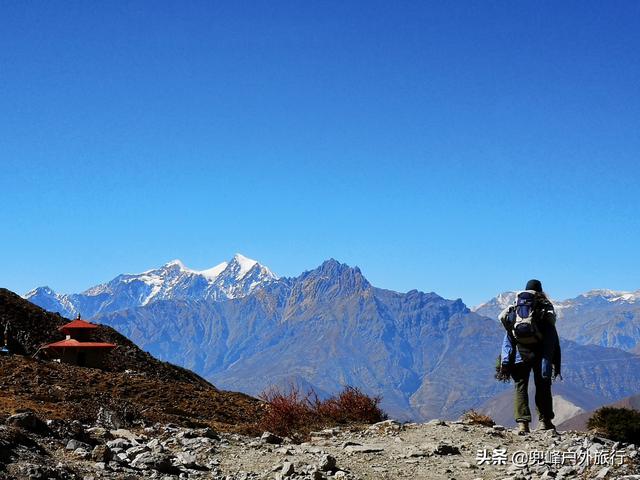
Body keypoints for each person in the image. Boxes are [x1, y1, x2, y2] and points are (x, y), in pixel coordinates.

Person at [499, 279, 561, 433]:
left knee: (520, 386)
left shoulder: (516, 308)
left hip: (520, 353)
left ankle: (522, 424)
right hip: (540, 354)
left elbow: (507, 332)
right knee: (543, 386)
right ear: (540, 290)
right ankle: (544, 422)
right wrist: (551, 361)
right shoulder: (543, 307)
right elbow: (551, 334)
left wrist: (506, 360)